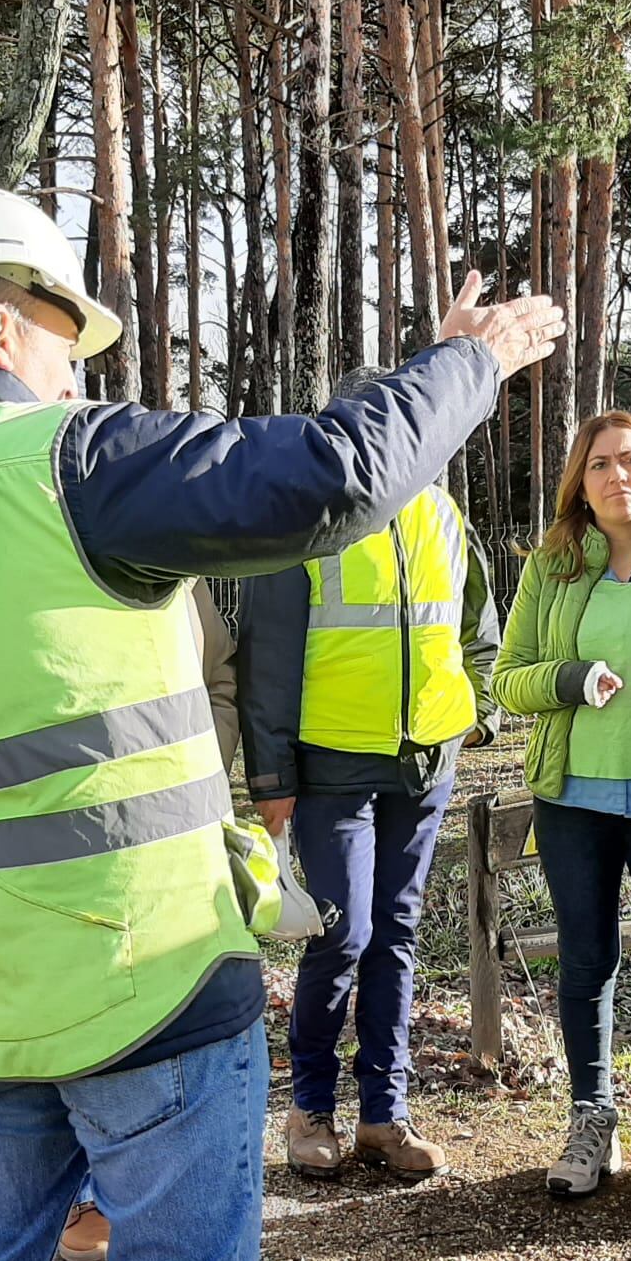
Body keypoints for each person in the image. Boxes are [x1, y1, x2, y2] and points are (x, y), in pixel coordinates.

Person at [0, 183, 563, 1261]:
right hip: (155, 985)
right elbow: (339, 475)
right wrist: (471, 359)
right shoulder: (64, 464)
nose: (80, 377)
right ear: (0, 331)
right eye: (67, 346)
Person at [239, 365, 500, 1181]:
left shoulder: (445, 514)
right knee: (342, 932)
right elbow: (266, 662)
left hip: (426, 762)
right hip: (330, 766)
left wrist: (476, 712)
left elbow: (478, 628)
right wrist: (272, 775)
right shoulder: (302, 523)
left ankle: (385, 1115)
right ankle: (310, 1106)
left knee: (396, 934)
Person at [492, 411, 631, 1207]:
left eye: (630, 460)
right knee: (585, 964)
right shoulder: (552, 568)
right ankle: (592, 1118)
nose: (616, 476)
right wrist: (568, 679)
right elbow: (506, 677)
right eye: (598, 465)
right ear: (578, 484)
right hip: (574, 799)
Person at [61, 585, 238, 1261]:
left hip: (172, 834)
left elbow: (219, 675)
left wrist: (198, 773)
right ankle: (83, 1192)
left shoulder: (180, 562)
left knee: (160, 1014)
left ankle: (150, 1194)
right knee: (76, 1017)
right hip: (63, 836)